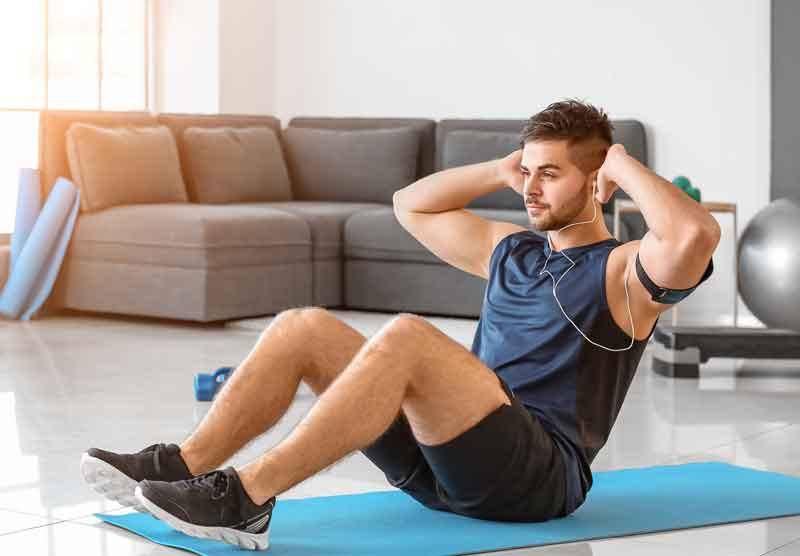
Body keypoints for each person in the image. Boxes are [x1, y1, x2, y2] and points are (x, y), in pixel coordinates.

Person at [80, 99, 720, 551]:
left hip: (538, 479)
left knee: (409, 336)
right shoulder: (511, 252)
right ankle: (178, 463)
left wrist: (622, 164)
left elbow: (694, 232)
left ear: (597, 183)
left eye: (549, 175)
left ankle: (246, 497)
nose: (531, 188)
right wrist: (503, 169)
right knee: (305, 325)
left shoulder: (623, 273)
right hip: (448, 463)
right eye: (528, 172)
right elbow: (409, 203)